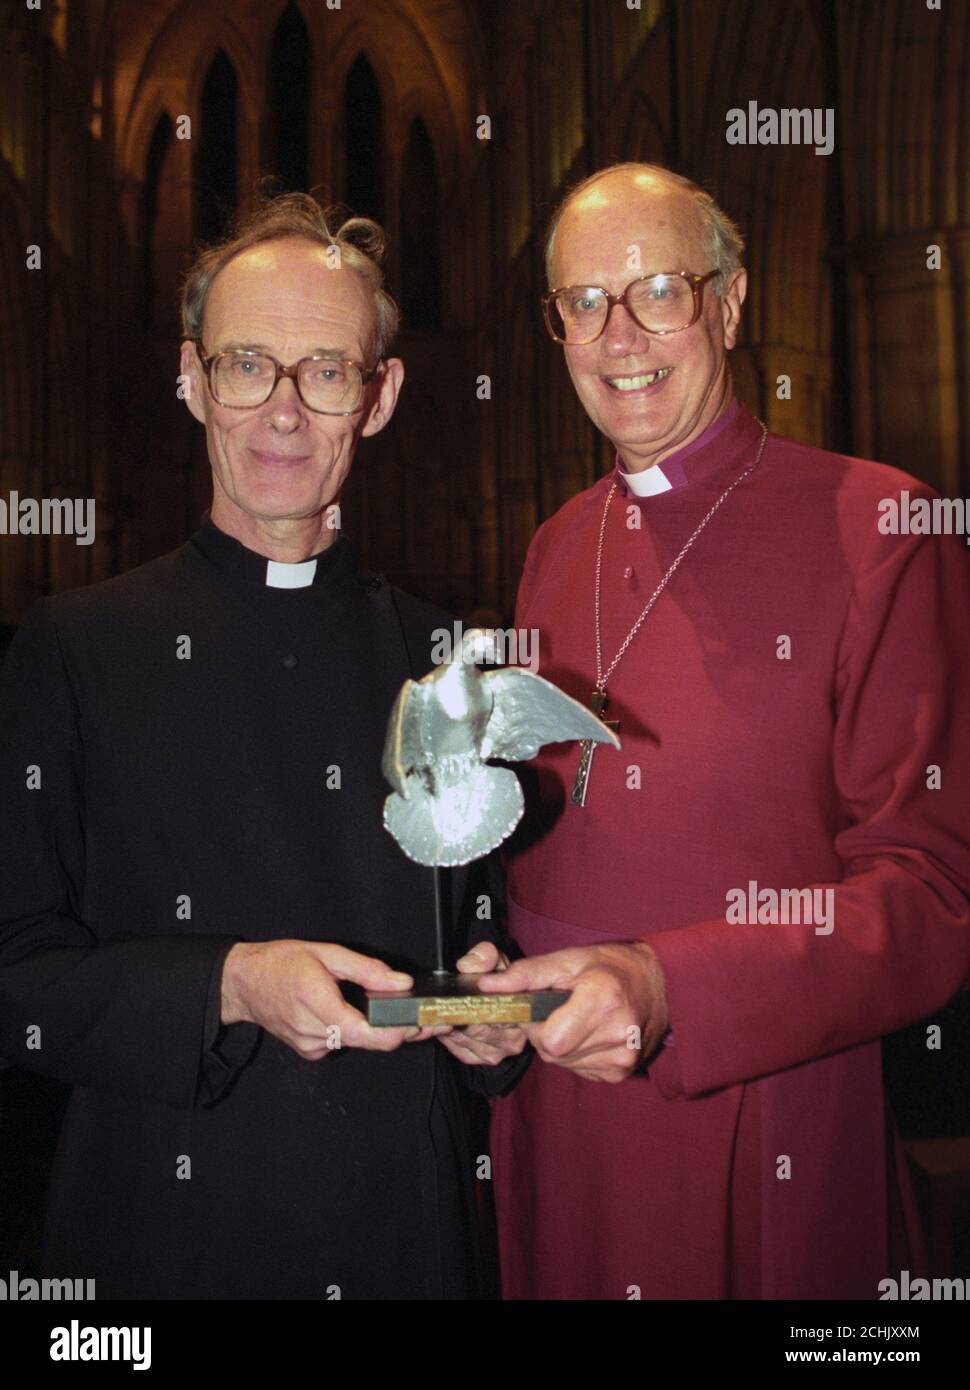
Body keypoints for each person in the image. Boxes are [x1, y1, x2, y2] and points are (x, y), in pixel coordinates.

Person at [0, 193, 519, 1299]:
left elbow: (482, 932)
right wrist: (228, 985)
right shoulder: (71, 650)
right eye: (248, 365)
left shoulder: (450, 658)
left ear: (376, 400)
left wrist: (492, 1016)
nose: (283, 411)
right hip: (162, 1224)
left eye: (326, 370)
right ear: (192, 379)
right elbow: (14, 984)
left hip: (402, 1226)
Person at [473, 163, 970, 1299]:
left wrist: (671, 989)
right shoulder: (555, 541)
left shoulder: (880, 524)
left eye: (658, 288)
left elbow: (931, 895)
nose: (619, 334)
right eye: (582, 302)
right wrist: (481, 976)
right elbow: (545, 822)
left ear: (732, 303)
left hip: (761, 1101)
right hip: (557, 1105)